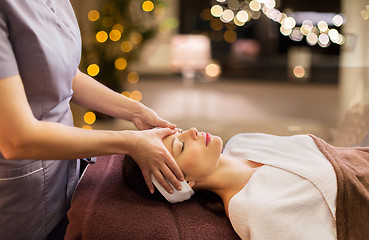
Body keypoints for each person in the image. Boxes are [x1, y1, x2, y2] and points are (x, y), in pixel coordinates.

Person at [0, 1, 184, 239]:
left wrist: (136, 112)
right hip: (19, 194)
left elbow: (64, 73)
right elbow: (17, 140)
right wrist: (131, 141)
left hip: (64, 173)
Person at [123, 128, 369, 240]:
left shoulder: (243, 142)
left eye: (179, 132)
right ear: (183, 183)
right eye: (182, 146)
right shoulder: (255, 208)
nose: (193, 132)